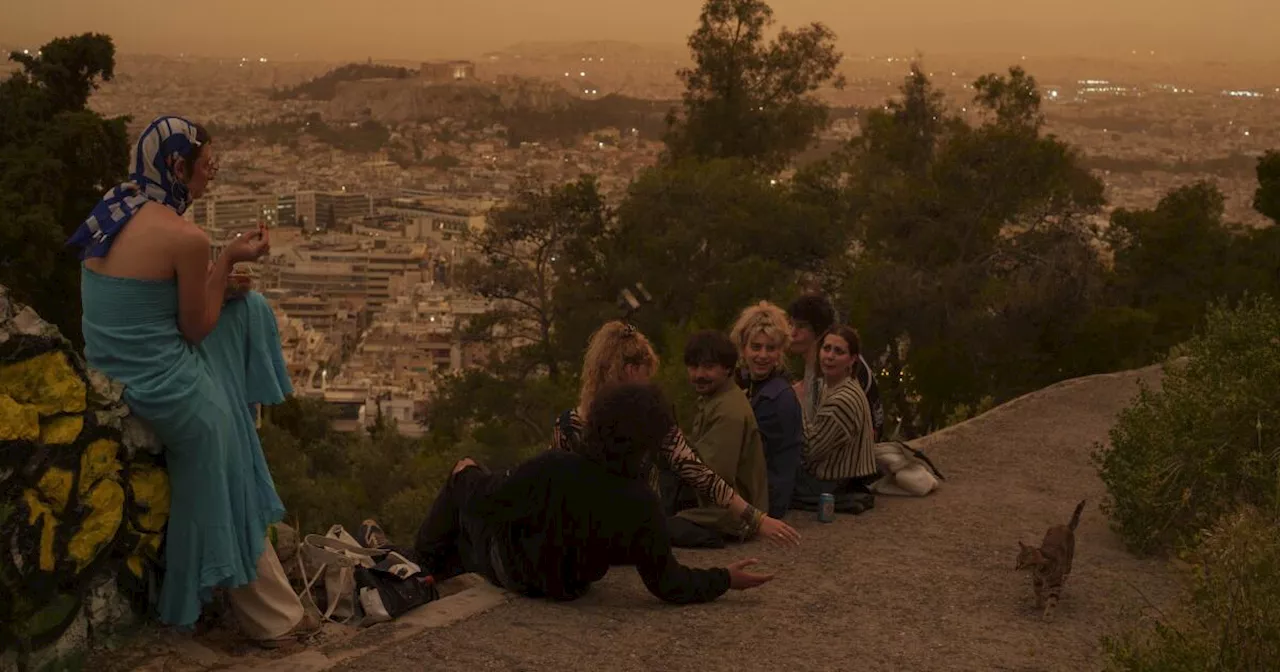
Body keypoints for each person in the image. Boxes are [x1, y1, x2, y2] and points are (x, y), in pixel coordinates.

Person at [66, 116, 310, 644]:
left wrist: (220, 274)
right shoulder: (188, 237)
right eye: (206, 165)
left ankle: (236, 419)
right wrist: (225, 260)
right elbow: (195, 329)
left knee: (250, 309)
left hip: (112, 362)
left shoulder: (116, 204)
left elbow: (150, 303)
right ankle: (269, 618)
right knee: (229, 454)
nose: (212, 174)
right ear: (177, 165)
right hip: (159, 382)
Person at [415, 382, 775, 604]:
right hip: (568, 587)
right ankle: (433, 565)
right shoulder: (643, 505)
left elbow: (485, 501)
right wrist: (725, 578)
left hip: (512, 569)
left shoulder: (556, 467)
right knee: (464, 540)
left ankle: (416, 566)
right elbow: (670, 583)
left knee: (465, 484)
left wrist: (465, 473)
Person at [551, 321, 800, 547]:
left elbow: (555, 484)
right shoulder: (649, 417)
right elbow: (700, 474)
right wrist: (756, 519)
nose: (650, 381)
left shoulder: (566, 423)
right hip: (630, 533)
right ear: (630, 370)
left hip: (584, 537)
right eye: (647, 372)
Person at [664, 331, 770, 548]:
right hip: (719, 502)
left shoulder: (728, 411)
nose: (699, 374)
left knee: (655, 528)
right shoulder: (715, 398)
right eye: (693, 367)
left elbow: (715, 476)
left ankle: (715, 535)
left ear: (728, 369)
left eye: (708, 367)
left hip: (732, 512)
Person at [793, 326, 879, 515]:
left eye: (838, 351)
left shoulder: (842, 401)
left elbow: (809, 450)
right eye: (826, 348)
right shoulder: (835, 386)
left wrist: (797, 405)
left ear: (852, 359)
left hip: (831, 483)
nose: (829, 356)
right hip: (842, 478)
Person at [730, 301, 805, 519]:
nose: (762, 355)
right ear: (743, 348)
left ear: (780, 351)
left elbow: (747, 456)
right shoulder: (751, 384)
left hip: (765, 500)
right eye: (756, 347)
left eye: (770, 348)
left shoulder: (777, 398)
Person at [786, 294, 837, 421]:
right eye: (791, 325)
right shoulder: (811, 368)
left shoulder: (825, 375)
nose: (792, 333)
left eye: (801, 326)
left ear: (819, 332)